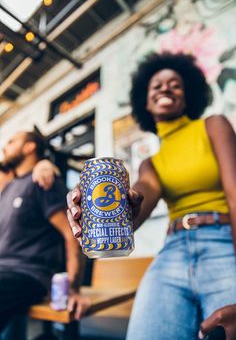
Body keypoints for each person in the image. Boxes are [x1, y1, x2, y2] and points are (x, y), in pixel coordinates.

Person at [67, 52, 236, 340]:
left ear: (189, 95)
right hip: (172, 251)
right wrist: (120, 207)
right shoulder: (150, 163)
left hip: (223, 241)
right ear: (144, 102)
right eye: (156, 86)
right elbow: (145, 192)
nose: (165, 88)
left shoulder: (213, 125)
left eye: (175, 84)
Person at [0, 131, 90, 332]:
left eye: (11, 141)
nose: (5, 146)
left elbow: (72, 234)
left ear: (29, 147)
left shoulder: (44, 182)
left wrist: (73, 289)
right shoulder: (8, 187)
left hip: (28, 275)